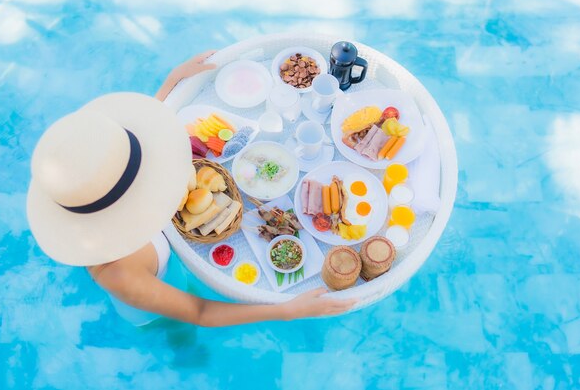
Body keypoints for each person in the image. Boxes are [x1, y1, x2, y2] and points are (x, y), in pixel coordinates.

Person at [26, 51, 356, 327]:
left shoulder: (97, 188)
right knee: (173, 330)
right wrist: (285, 311)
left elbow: (126, 151)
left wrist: (172, 81)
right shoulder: (120, 274)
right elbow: (199, 311)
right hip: (146, 302)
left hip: (149, 260)